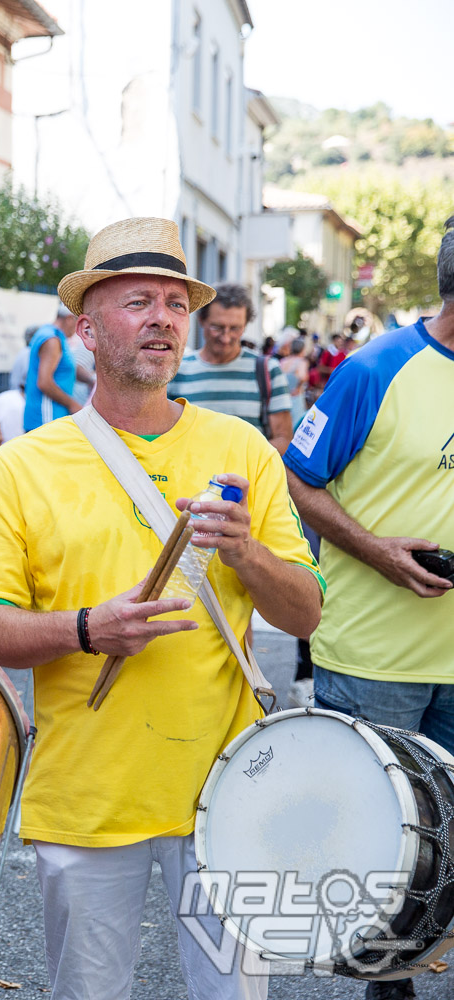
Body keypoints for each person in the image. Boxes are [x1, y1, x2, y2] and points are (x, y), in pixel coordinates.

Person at [0, 217, 322, 1000]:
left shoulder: (245, 449)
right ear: (86, 329)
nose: (162, 318)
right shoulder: (23, 467)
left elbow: (305, 616)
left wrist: (247, 554)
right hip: (87, 797)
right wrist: (86, 628)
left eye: (173, 303)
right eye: (136, 302)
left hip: (229, 787)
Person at [284, 221, 454, 963]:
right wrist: (378, 551)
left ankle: (420, 949)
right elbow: (298, 477)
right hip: (373, 655)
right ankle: (388, 968)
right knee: (381, 837)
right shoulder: (374, 368)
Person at [166, 284, 293, 453]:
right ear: (201, 321)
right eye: (217, 327)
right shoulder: (177, 369)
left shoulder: (267, 370)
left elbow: (283, 438)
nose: (226, 338)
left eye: (235, 329)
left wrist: (239, 463)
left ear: (245, 325)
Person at [24, 304, 86, 431]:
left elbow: (68, 370)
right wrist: (73, 404)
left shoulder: (53, 335)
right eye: (77, 321)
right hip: (46, 417)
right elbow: (45, 383)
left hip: (51, 417)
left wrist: (91, 381)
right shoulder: (52, 339)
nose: (77, 329)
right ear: (69, 319)